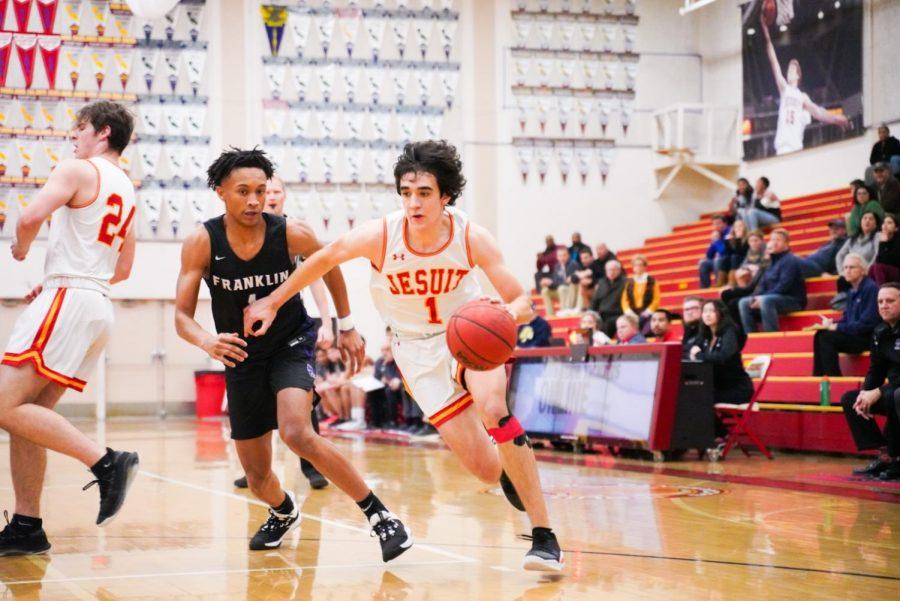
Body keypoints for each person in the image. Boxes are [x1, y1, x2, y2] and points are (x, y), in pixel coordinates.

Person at [242, 140, 563, 571]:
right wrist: (272, 302)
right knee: (486, 471)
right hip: (414, 351)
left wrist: (505, 314)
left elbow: (522, 300)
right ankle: (508, 471)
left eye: (425, 193)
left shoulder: (470, 235)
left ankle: (544, 537)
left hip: (465, 334)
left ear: (446, 195)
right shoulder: (382, 235)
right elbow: (321, 260)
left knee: (495, 409)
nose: (413, 202)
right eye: (407, 192)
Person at [173, 148, 411, 558]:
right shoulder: (202, 242)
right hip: (240, 357)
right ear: (220, 192)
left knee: (297, 431)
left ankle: (380, 515)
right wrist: (206, 341)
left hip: (290, 344)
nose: (253, 200)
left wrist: (347, 326)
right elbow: (181, 316)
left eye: (260, 191)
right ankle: (283, 511)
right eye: (243, 191)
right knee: (258, 474)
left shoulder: (291, 233)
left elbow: (331, 267)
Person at [0, 101, 140, 556]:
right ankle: (27, 524)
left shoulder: (79, 170)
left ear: (101, 132)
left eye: (78, 129)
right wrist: (60, 278)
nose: (72, 138)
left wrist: (22, 251)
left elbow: (26, 219)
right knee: (27, 418)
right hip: (94, 301)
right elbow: (123, 268)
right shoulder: (129, 190)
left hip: (70, 298)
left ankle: (106, 462)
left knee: (2, 405)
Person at [234, 174, 330, 491]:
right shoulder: (242, 231)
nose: (271, 196)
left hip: (292, 328)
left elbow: (316, 277)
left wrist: (327, 322)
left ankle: (311, 467)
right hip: (253, 329)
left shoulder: (294, 233)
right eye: (267, 191)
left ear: (283, 197)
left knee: (302, 399)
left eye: (276, 191)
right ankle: (257, 470)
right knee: (256, 398)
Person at [760, 12, 849, 156]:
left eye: (792, 69)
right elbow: (774, 62)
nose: (788, 71)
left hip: (796, 146)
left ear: (798, 75)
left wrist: (836, 119)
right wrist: (766, 33)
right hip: (782, 147)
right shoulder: (784, 89)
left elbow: (819, 112)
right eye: (788, 69)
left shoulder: (802, 97)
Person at [840, 282, 900, 481]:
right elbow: (876, 370)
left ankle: (897, 456)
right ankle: (886, 456)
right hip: (892, 390)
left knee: (895, 395)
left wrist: (880, 391)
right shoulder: (880, 332)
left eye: (890, 301)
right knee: (851, 398)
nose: (884, 305)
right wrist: (865, 393)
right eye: (880, 301)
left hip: (895, 392)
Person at [688, 300, 753, 435]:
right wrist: (692, 351)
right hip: (719, 386)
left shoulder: (730, 331)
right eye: (705, 311)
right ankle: (715, 435)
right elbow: (688, 349)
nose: (707, 315)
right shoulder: (705, 334)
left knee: (697, 398)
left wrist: (699, 355)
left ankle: (720, 435)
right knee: (688, 395)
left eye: (712, 311)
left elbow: (724, 356)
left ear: (721, 313)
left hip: (737, 389)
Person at [811, 254, 879, 377]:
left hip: (866, 338)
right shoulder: (851, 291)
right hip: (855, 334)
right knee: (820, 334)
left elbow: (867, 324)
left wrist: (837, 328)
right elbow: (847, 319)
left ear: (863, 270)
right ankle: (820, 378)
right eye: (845, 267)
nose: (847, 270)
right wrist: (833, 324)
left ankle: (834, 379)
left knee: (826, 337)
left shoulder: (871, 288)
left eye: (852, 267)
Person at [738, 229, 806, 333]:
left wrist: (762, 298)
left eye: (778, 240)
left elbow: (784, 285)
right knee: (744, 302)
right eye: (772, 239)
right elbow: (762, 285)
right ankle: (751, 337)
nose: (774, 242)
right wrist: (756, 297)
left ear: (786, 243)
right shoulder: (771, 262)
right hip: (773, 297)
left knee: (766, 301)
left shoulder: (790, 259)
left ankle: (771, 336)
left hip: (793, 300)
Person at [622, 254, 661, 332]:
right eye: (636, 265)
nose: (638, 267)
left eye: (640, 265)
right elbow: (624, 300)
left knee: (645, 326)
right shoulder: (629, 282)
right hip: (632, 313)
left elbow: (656, 299)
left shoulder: (652, 281)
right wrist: (629, 312)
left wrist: (648, 311)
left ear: (645, 267)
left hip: (646, 313)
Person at [589, 259, 626, 338]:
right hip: (602, 314)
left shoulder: (625, 282)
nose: (611, 272)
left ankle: (604, 346)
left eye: (614, 270)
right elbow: (595, 300)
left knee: (607, 324)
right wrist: (590, 312)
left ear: (619, 270)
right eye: (609, 270)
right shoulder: (602, 282)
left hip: (618, 313)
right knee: (587, 321)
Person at [538, 246, 578, 317]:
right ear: (557, 257)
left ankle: (564, 311)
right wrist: (548, 283)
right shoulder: (557, 266)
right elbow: (556, 281)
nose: (562, 257)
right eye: (560, 255)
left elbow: (567, 282)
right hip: (560, 289)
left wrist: (552, 283)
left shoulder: (573, 265)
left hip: (570, 290)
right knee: (545, 291)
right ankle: (550, 314)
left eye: (564, 255)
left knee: (562, 288)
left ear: (568, 256)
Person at [698, 215, 731, 288]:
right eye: (714, 224)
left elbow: (724, 252)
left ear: (725, 223)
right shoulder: (717, 234)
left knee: (717, 260)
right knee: (703, 263)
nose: (716, 226)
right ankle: (705, 288)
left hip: (729, 259)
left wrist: (716, 241)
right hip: (720, 259)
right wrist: (713, 242)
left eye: (718, 223)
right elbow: (709, 255)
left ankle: (719, 285)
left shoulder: (729, 232)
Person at [870, 213, 900, 285]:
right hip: (888, 271)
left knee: (878, 267)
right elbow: (878, 260)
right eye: (884, 223)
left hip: (897, 271)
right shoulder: (883, 239)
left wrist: (883, 244)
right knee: (872, 268)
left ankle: (881, 291)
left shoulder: (898, 240)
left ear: (896, 228)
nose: (885, 225)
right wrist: (882, 243)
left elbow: (891, 261)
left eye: (889, 223)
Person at [723, 219, 750, 284]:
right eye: (736, 226)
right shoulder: (731, 237)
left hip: (745, 258)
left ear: (744, 227)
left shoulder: (748, 237)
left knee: (734, 257)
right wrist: (727, 242)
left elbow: (741, 252)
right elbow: (728, 254)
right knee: (721, 260)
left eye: (740, 226)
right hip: (734, 260)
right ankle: (722, 281)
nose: (738, 228)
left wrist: (738, 239)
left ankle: (732, 281)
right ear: (733, 228)